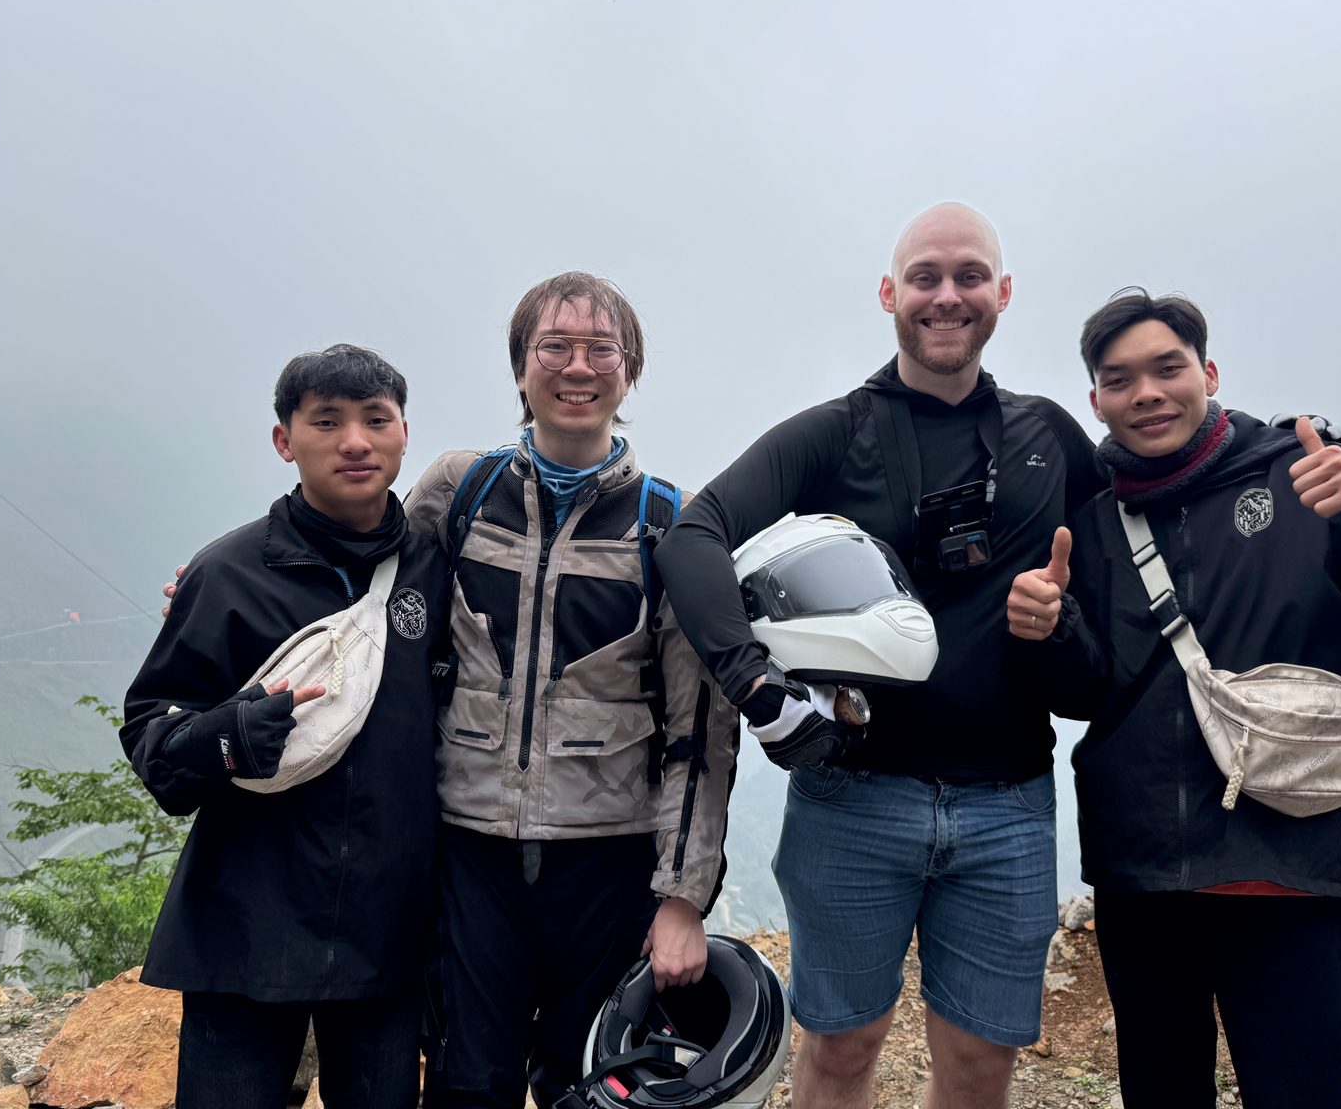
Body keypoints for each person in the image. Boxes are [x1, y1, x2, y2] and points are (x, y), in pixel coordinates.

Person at [654, 204, 1104, 1109]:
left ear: (1004, 294)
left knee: (980, 1066)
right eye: (926, 277)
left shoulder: (1051, 438)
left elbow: (1111, 604)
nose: (948, 296)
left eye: (970, 275)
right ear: (889, 293)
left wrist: (1057, 624)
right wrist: (755, 685)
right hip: (851, 799)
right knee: (844, 1050)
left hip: (1008, 803)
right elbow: (692, 536)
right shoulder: (837, 432)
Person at [1008, 289, 1341, 1108]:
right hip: (1143, 873)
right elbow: (1093, 695)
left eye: (1167, 368)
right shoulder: (1097, 522)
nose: (1145, 392)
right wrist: (1050, 630)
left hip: (1289, 865)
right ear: (1097, 402)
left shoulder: (1311, 469)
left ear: (1209, 371)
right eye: (1118, 380)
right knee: (1162, 1092)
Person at [402, 272, 739, 1109]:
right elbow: (368, 610)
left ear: (630, 374)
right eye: (555, 346)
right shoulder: (456, 494)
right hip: (469, 848)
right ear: (521, 368)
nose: (577, 366)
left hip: (611, 860)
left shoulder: (670, 525)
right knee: (463, 1084)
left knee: (590, 1086)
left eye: (601, 349)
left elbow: (701, 731)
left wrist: (683, 900)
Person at [124, 344, 449, 1109]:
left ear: (405, 432)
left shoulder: (436, 569)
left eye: (376, 419)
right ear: (284, 441)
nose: (356, 442)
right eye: (327, 422)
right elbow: (152, 739)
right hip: (245, 928)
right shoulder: (230, 574)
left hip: (386, 936)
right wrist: (233, 733)